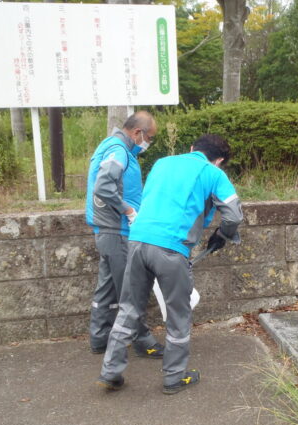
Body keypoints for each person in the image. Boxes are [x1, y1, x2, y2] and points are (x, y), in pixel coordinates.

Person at [96, 133, 243, 395]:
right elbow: (233, 215)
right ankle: (174, 377)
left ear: (192, 147)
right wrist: (223, 235)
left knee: (129, 308)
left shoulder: (162, 163)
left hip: (137, 240)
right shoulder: (213, 173)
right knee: (178, 315)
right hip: (171, 248)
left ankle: (110, 372)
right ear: (219, 160)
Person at [85, 111, 164, 359]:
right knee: (131, 289)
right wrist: (128, 210)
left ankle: (100, 337)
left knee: (107, 288)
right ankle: (143, 341)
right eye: (149, 137)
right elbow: (103, 186)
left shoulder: (111, 146)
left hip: (106, 229)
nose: (148, 143)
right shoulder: (118, 151)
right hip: (116, 229)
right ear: (138, 132)